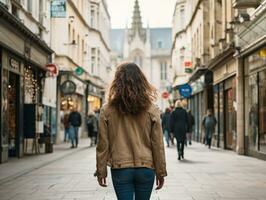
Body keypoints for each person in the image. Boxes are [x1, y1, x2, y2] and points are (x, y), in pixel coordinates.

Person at [96, 62, 167, 200]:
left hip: (120, 167)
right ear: (142, 81)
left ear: (117, 82)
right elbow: (158, 144)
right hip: (146, 167)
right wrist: (160, 171)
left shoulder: (107, 110)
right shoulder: (152, 109)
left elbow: (103, 144)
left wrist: (101, 171)